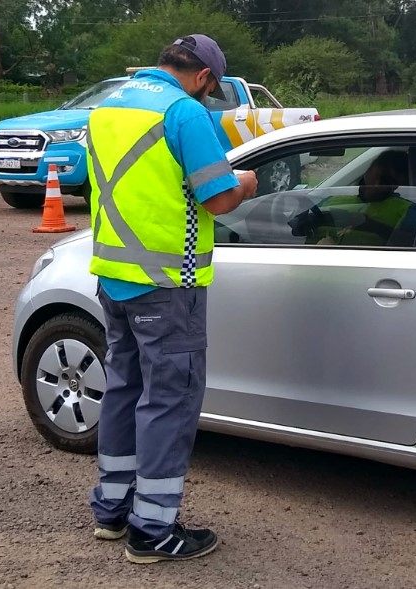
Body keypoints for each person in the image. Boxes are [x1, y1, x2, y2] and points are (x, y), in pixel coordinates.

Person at [86, 34, 258, 564]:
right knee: (169, 401)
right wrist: (248, 183)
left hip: (113, 277)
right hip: (168, 285)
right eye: (214, 88)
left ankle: (112, 512)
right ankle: (154, 532)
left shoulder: (106, 107)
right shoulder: (185, 115)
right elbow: (222, 198)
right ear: (205, 76)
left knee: (123, 390)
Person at [298, 150, 416, 247]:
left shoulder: (408, 210)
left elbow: (415, 246)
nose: (377, 184)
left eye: (387, 181)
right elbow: (295, 232)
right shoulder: (332, 199)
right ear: (368, 171)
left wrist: (370, 225)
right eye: (377, 176)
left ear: (398, 186)